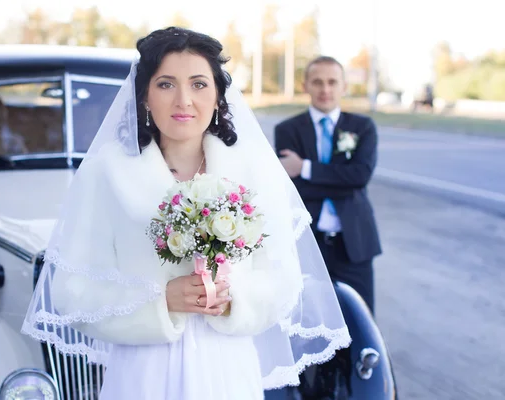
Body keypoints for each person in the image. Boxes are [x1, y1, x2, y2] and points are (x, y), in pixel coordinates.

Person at [22, 28, 351, 400]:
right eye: (165, 85)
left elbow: (284, 282)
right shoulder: (107, 174)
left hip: (227, 368)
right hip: (142, 371)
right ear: (144, 96)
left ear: (217, 96)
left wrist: (233, 298)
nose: (184, 101)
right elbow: (72, 292)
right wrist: (160, 303)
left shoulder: (253, 172)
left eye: (198, 84)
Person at [274, 56, 382, 314]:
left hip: (354, 243)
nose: (325, 89)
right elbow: (295, 189)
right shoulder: (287, 130)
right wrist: (343, 180)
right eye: (318, 82)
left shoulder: (362, 127)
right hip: (308, 243)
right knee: (308, 318)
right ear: (306, 86)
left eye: (332, 82)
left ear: (344, 86)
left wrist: (305, 168)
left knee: (361, 318)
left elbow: (360, 176)